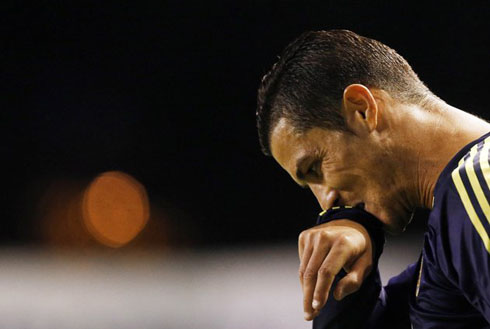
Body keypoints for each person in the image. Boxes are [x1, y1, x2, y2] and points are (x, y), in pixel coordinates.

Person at [256, 30, 490, 328]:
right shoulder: (450, 233)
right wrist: (347, 274)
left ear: (362, 109)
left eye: (315, 167)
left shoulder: (480, 179)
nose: (327, 200)